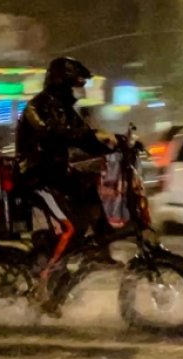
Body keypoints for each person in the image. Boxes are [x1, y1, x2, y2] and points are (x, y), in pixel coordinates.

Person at [14, 57, 116, 312]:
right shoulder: (35, 108)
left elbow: (85, 138)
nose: (77, 90)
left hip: (56, 173)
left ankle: (99, 248)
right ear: (62, 82)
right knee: (68, 228)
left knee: (89, 188)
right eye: (74, 84)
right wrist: (80, 136)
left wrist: (116, 145)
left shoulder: (65, 107)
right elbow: (51, 133)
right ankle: (44, 279)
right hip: (36, 177)